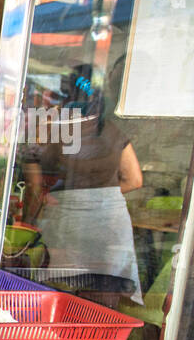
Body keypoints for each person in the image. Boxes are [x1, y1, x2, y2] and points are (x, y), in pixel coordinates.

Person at [21, 64, 142, 299]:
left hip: (70, 223)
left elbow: (35, 187)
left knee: (61, 295)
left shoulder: (55, 131)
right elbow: (135, 180)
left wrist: (30, 220)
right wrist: (102, 197)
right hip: (111, 223)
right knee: (104, 295)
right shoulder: (115, 132)